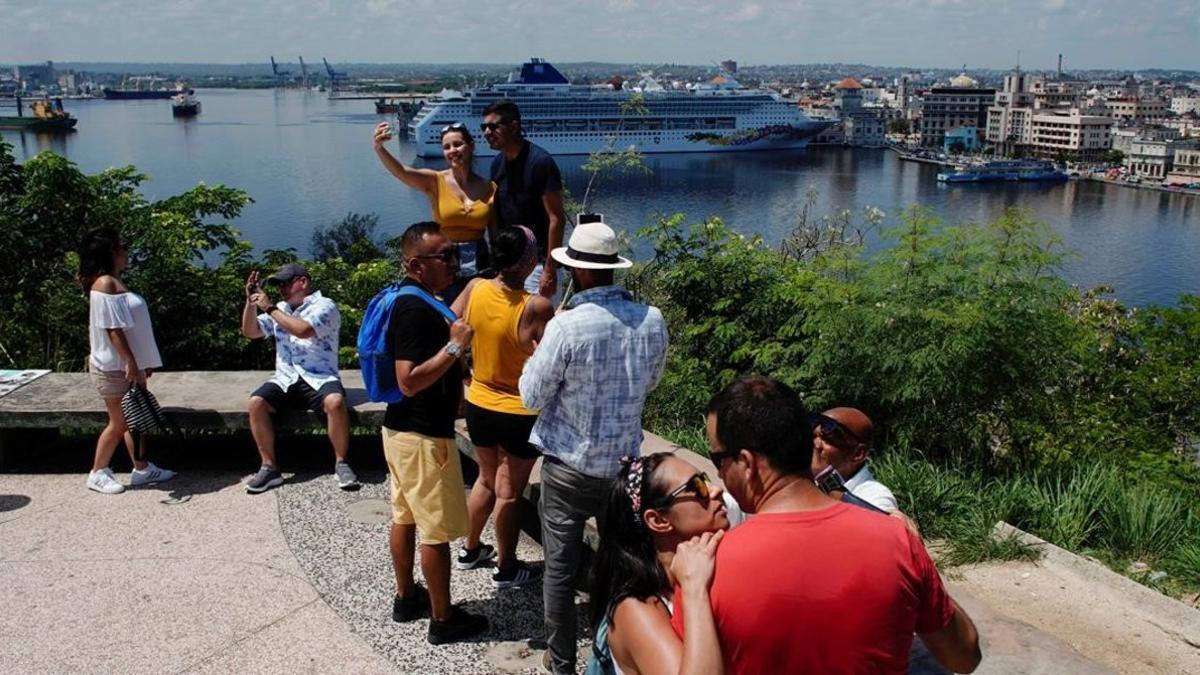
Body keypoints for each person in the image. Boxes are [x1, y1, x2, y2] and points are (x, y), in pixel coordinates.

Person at [679, 376, 982, 675]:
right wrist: (921, 566)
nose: (718, 475)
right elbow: (964, 657)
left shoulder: (704, 568)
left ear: (747, 464)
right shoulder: (897, 540)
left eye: (717, 459)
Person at [519, 219, 669, 675]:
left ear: (578, 273)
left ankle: (561, 659)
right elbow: (653, 381)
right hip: (627, 468)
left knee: (561, 571)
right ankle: (613, 654)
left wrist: (535, 354)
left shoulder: (566, 327)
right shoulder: (652, 319)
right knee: (624, 566)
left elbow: (531, 396)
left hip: (567, 465)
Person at [383, 221, 488, 644]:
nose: (453, 262)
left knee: (404, 516)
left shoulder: (415, 298)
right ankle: (443, 620)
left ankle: (407, 598)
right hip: (424, 438)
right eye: (442, 256)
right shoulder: (414, 309)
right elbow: (407, 380)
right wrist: (455, 346)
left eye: (453, 253)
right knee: (437, 532)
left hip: (401, 433)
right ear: (415, 264)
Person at [448, 226, 554, 588]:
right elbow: (552, 358)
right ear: (527, 262)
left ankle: (470, 548)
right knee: (508, 492)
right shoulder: (535, 305)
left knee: (485, 478)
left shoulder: (475, 288)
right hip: (518, 411)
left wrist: (463, 365)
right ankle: (507, 568)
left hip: (478, 400)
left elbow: (449, 320)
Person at [589, 453, 727, 675]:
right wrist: (694, 591)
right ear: (658, 520)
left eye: (705, 478)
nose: (715, 490)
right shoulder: (635, 608)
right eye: (697, 486)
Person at [240, 263, 356, 493]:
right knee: (256, 403)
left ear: (303, 282)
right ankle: (269, 467)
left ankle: (342, 462)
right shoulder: (281, 308)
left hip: (319, 376)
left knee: (335, 401)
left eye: (286, 283)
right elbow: (250, 332)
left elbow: (303, 330)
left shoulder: (325, 305)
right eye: (279, 284)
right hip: (286, 377)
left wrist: (271, 309)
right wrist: (251, 302)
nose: (282, 289)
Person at [79, 227, 176, 494]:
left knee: (137, 417)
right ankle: (98, 471)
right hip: (113, 367)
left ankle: (142, 468)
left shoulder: (114, 280)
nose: (127, 251)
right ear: (112, 252)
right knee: (119, 422)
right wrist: (131, 362)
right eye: (122, 246)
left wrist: (141, 362)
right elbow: (113, 329)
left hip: (128, 366)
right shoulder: (104, 283)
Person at [373, 120, 497, 302]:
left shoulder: (490, 188)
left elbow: (494, 234)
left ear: (470, 146)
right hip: (443, 261)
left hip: (480, 262)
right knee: (445, 314)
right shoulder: (435, 181)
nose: (452, 150)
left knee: (476, 314)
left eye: (457, 144)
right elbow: (401, 171)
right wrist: (379, 148)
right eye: (446, 147)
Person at [480, 100, 566, 300]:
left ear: (514, 126)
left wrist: (549, 270)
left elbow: (556, 219)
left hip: (538, 265)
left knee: (539, 327)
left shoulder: (540, 163)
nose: (486, 132)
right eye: (483, 127)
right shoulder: (497, 165)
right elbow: (497, 217)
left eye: (493, 126)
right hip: (509, 266)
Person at [810, 406, 900, 512]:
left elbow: (878, 524)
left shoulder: (877, 497)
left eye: (828, 439)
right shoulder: (806, 484)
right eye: (813, 437)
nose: (816, 445)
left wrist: (827, 481)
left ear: (858, 454)